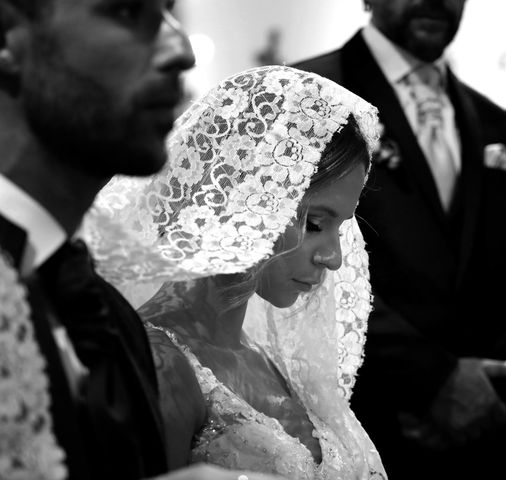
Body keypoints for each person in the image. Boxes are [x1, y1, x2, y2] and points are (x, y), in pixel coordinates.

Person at [0, 1, 284, 479]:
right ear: (9, 39)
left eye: (170, 12)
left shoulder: (109, 314)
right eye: (129, 11)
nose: (182, 51)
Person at [84, 65, 386, 479]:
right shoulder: (160, 365)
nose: (333, 257)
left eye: (341, 226)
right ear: (247, 201)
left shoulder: (272, 357)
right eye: (315, 223)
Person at [293, 0, 506, 477]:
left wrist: (484, 377)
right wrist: (432, 381)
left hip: (478, 430)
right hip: (357, 414)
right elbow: (288, 254)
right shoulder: (307, 94)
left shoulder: (495, 122)